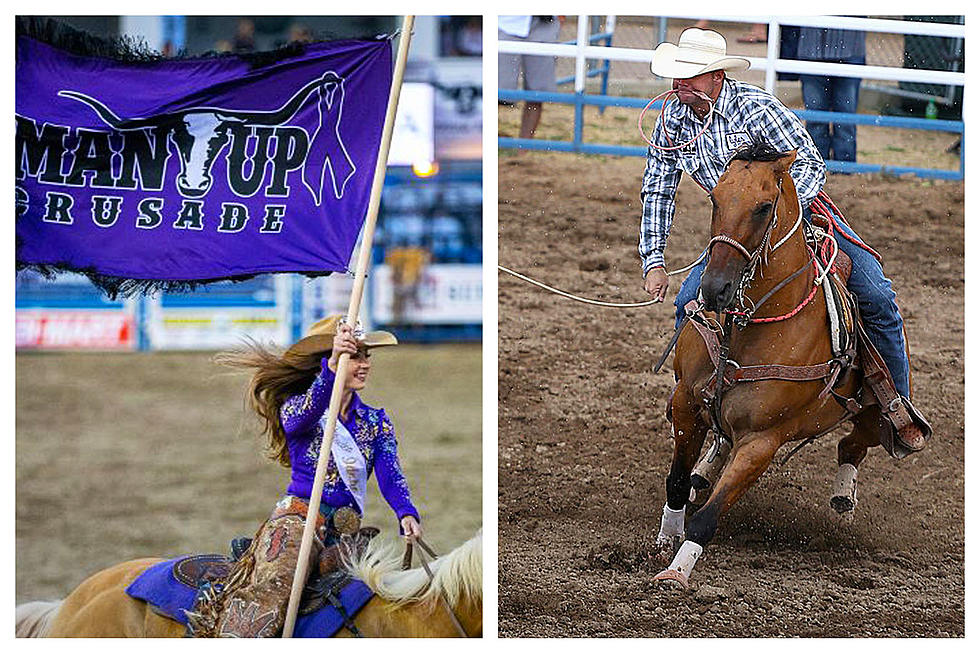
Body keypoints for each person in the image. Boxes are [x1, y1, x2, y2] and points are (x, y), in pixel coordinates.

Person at [638, 27, 925, 446]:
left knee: (876, 294)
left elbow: (810, 163)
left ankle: (896, 402)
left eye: (691, 75)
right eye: (677, 75)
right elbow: (658, 187)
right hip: (735, 236)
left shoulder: (757, 109)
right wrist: (654, 259)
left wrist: (779, 213)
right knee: (688, 302)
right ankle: (695, 399)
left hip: (799, 216)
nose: (680, 84)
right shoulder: (672, 120)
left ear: (717, 76)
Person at [195, 316, 422, 637]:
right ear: (327, 361)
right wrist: (332, 368)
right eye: (355, 355)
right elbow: (303, 416)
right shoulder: (299, 410)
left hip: (346, 534)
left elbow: (390, 472)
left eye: (366, 355)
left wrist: (406, 512)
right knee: (274, 592)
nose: (365, 364)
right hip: (298, 522)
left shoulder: (377, 422)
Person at [797, 26, 867, 163]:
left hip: (848, 52)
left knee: (844, 119)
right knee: (816, 117)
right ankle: (816, 164)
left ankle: (843, 167)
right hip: (813, 51)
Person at [498, 16, 563, 139]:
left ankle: (524, 150)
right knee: (495, 91)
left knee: (537, 93)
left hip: (544, 22)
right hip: (504, 21)